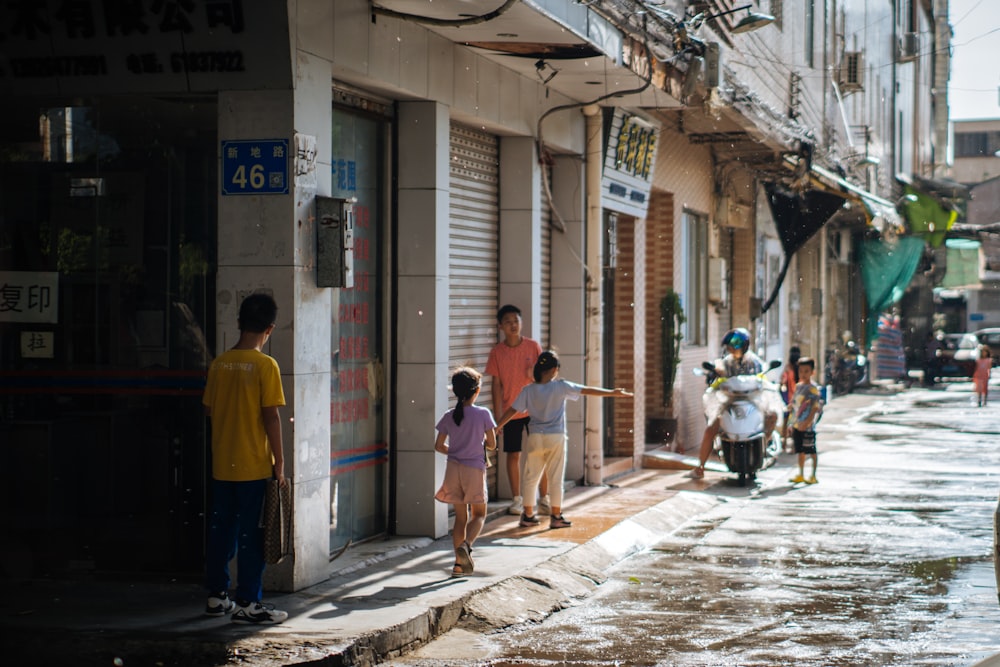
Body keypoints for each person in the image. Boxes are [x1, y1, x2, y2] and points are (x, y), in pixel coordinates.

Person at [202, 292, 289, 624]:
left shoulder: (219, 364)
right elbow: (271, 417)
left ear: (238, 324)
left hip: (222, 464)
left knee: (221, 531)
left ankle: (217, 595)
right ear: (270, 329)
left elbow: (209, 409)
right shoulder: (266, 365)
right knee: (253, 535)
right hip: (253, 467)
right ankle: (249, 602)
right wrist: (279, 463)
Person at [495, 350, 633, 529]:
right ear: (554, 370)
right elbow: (587, 390)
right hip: (556, 437)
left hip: (535, 436)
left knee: (530, 477)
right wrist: (613, 393)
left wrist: (497, 425)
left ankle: (528, 515)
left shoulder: (528, 390)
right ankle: (556, 516)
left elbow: (512, 410)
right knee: (555, 478)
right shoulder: (561, 386)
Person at [689, 328, 781, 480]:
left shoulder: (755, 362)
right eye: (730, 346)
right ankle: (700, 467)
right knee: (712, 427)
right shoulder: (726, 363)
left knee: (772, 415)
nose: (732, 349)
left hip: (754, 402)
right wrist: (716, 373)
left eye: (735, 345)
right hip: (730, 403)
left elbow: (762, 378)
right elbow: (718, 375)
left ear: (744, 345)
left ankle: (768, 443)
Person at [433, 367, 498, 577]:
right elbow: (491, 444)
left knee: (461, 518)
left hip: (453, 469)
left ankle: (458, 566)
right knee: (479, 514)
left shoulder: (449, 415)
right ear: (477, 391)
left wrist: (455, 450)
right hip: (474, 469)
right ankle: (467, 546)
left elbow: (439, 445)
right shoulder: (483, 414)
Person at [485, 304, 549, 516]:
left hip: (534, 410)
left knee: (539, 454)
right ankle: (517, 500)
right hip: (510, 410)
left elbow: (544, 377)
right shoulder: (497, 352)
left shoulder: (533, 346)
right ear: (500, 326)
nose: (513, 325)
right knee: (513, 455)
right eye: (508, 322)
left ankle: (545, 498)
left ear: (521, 323)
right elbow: (495, 385)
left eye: (516, 321)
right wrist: (497, 417)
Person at [787, 357, 823, 484]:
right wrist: (791, 422)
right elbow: (795, 404)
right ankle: (801, 474)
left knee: (811, 450)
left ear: (812, 372)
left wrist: (807, 422)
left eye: (806, 371)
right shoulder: (798, 387)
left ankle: (813, 475)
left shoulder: (813, 389)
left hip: (807, 426)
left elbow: (814, 408)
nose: (803, 374)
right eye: (801, 371)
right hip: (797, 424)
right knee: (800, 450)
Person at [780, 345, 801, 447]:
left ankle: (784, 443)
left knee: (786, 421)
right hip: (798, 399)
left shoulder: (788, 368)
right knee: (796, 422)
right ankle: (793, 445)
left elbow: (782, 381)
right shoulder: (801, 368)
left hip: (788, 399)